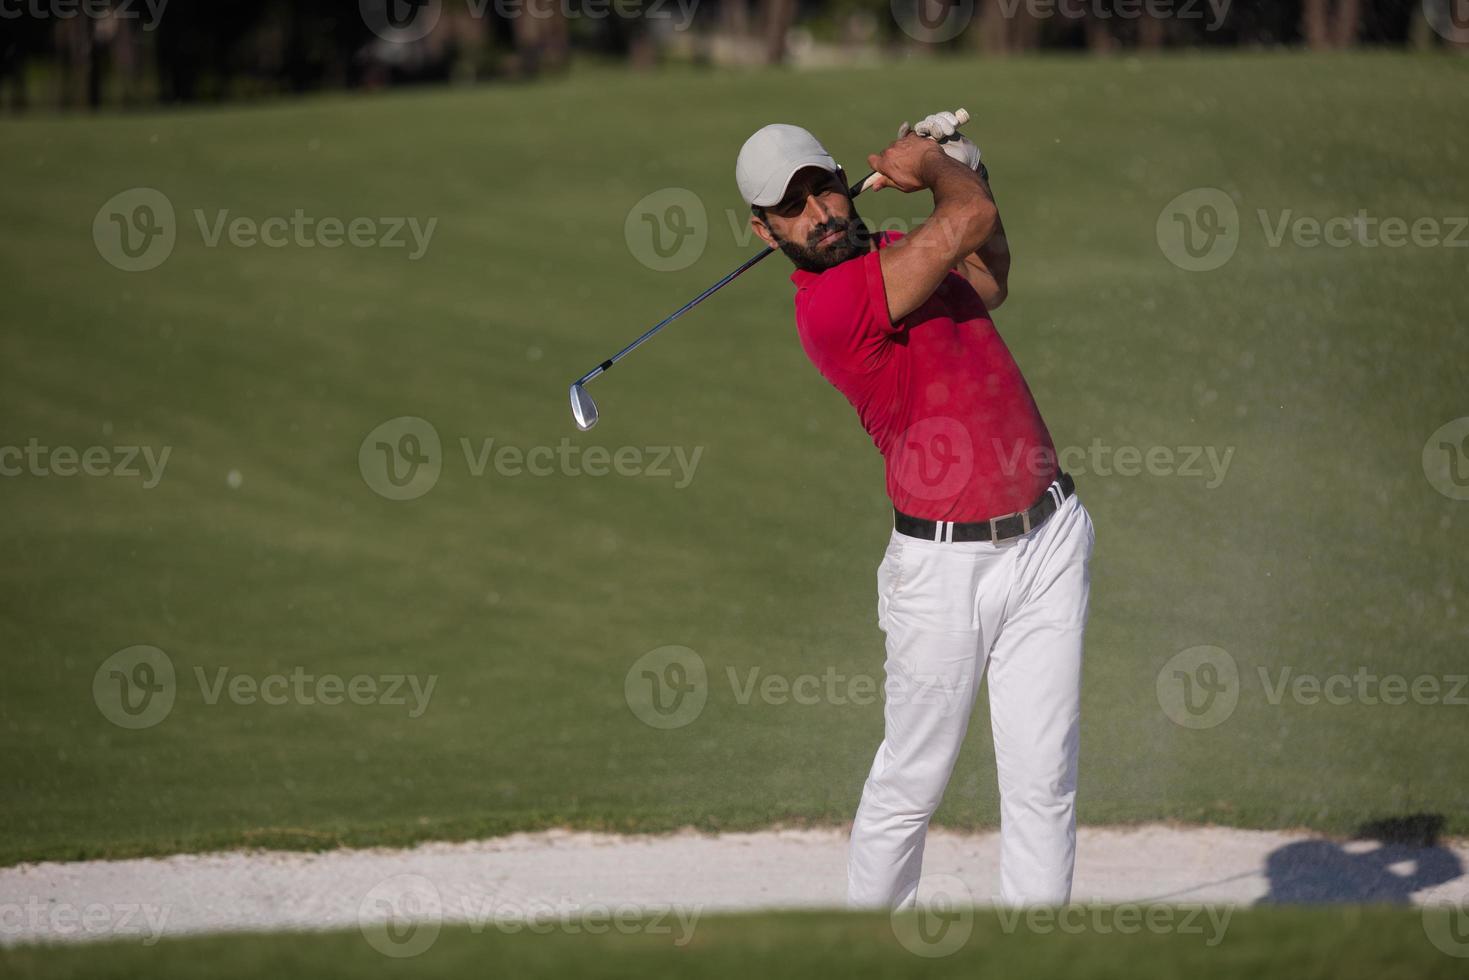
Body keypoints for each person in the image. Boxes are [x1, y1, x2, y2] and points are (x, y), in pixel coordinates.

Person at [735, 113, 1096, 907]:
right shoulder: (830, 307)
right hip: (943, 570)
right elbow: (962, 220)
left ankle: (1037, 957)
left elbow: (990, 272)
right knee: (913, 781)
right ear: (765, 233)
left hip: (1048, 539)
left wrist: (968, 165)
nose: (821, 213)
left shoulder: (900, 249)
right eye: (792, 208)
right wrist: (936, 168)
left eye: (822, 189)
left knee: (1044, 778)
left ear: (843, 181)